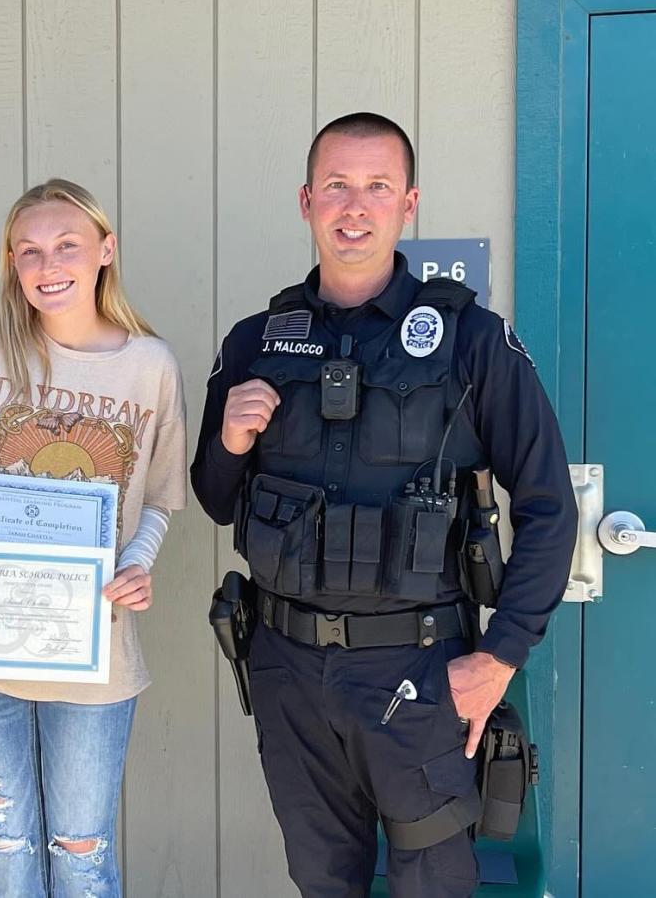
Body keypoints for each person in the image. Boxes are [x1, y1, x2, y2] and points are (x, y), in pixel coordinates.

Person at [191, 112, 577, 896]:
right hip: (288, 669)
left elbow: (549, 506)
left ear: (409, 203)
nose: (354, 206)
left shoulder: (471, 340)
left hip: (420, 668)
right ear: (306, 201)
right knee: (322, 878)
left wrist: (500, 659)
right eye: (336, 185)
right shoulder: (256, 341)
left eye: (376, 186)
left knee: (431, 878)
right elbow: (213, 497)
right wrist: (230, 442)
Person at [0, 178, 186, 897]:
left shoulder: (151, 365)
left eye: (66, 244)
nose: (48, 263)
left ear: (106, 250)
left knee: (82, 853)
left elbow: (158, 497)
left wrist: (137, 564)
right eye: (29, 250)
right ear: (11, 261)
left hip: (96, 653)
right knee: (9, 849)